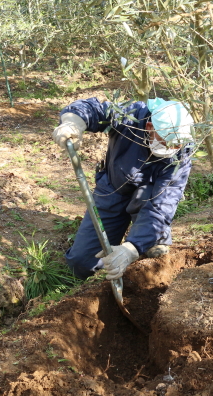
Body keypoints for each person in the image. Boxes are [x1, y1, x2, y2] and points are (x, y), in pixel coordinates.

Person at [52, 97, 194, 280]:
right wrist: (73, 123)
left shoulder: (181, 154)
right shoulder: (130, 117)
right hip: (113, 189)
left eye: (177, 144)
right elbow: (92, 109)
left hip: (149, 199)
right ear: (150, 128)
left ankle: (149, 241)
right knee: (81, 263)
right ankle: (106, 272)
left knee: (147, 225)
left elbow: (163, 204)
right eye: (167, 141)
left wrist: (131, 249)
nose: (172, 147)